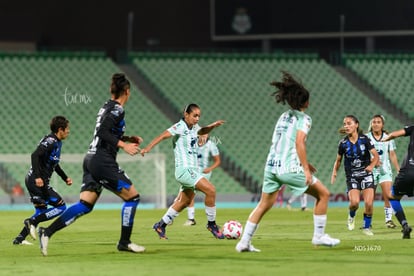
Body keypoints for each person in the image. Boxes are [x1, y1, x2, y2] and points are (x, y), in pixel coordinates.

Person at [38, 73, 145, 256]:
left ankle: (46, 232)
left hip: (91, 159)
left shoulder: (105, 107)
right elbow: (103, 132)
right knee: (132, 197)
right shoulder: (118, 109)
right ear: (127, 91)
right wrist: (124, 145)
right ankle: (124, 242)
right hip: (102, 161)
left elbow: (103, 132)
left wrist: (127, 138)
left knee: (85, 205)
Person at [235, 71, 340, 253]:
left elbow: (284, 142)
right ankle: (319, 235)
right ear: (306, 102)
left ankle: (244, 242)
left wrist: (306, 163)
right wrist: (305, 169)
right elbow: (299, 142)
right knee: (323, 194)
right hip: (288, 168)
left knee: (264, 204)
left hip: (271, 167)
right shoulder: (305, 119)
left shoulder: (283, 116)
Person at [140, 103, 225, 239]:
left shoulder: (194, 128)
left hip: (192, 170)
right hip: (184, 170)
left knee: (184, 201)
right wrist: (148, 148)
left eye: (199, 116)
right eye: (194, 115)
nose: (197, 118)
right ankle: (212, 224)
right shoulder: (179, 127)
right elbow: (162, 136)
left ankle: (161, 225)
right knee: (211, 190)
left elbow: (202, 131)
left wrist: (213, 126)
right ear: (186, 115)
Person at [13, 116, 72, 246]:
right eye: (67, 129)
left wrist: (65, 177)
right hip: (37, 181)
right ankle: (31, 222)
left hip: (34, 180)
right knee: (61, 207)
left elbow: (54, 164)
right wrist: (38, 177)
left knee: (41, 211)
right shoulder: (51, 141)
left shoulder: (57, 142)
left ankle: (20, 238)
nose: (68, 131)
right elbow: (35, 155)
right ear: (60, 129)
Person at [331, 115, 379, 236]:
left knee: (369, 203)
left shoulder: (365, 139)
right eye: (345, 124)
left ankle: (366, 227)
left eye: (349, 123)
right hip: (352, 176)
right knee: (354, 203)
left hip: (366, 175)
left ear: (356, 125)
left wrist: (372, 166)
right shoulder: (343, 143)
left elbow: (376, 156)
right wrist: (334, 172)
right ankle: (351, 216)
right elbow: (338, 160)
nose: (346, 126)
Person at [179, 133, 221, 226]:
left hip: (204, 173)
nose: (204, 136)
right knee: (189, 194)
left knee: (207, 193)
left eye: (206, 134)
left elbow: (218, 161)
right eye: (202, 134)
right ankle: (191, 219)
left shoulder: (211, 145)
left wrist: (210, 168)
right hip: (192, 172)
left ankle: (210, 221)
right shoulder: (193, 143)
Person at [366, 114, 400, 228]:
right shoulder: (366, 138)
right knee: (369, 198)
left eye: (378, 122)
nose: (376, 124)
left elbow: (392, 154)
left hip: (385, 171)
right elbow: (363, 155)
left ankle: (388, 220)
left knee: (388, 195)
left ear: (382, 124)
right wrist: (372, 160)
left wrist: (398, 169)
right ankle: (367, 223)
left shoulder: (388, 137)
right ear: (371, 124)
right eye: (374, 122)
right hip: (371, 171)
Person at [381, 125, 414, 239]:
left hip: (408, 172)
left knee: (392, 197)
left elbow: (394, 134)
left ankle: (404, 224)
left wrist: (385, 139)